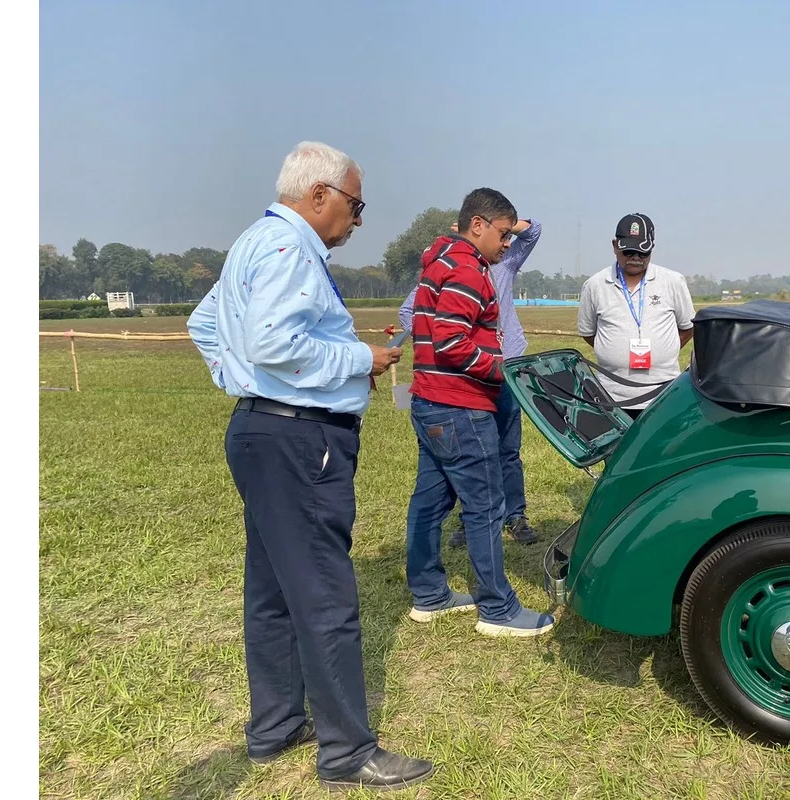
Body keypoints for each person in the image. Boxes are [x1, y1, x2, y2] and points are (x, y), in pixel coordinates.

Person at [186, 141, 435, 791]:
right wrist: (359, 361)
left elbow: (205, 325)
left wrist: (246, 384)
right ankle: (348, 751)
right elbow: (274, 342)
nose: (357, 221)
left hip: (263, 432)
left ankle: (274, 726)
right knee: (325, 596)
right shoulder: (290, 249)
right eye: (356, 205)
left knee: (271, 592)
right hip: (300, 443)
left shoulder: (253, 242)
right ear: (319, 194)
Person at [403, 187, 555, 637]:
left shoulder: (439, 262)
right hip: (462, 407)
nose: (507, 244)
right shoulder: (468, 269)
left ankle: (429, 593)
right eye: (504, 233)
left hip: (429, 401)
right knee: (486, 505)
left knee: (430, 500)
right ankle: (498, 608)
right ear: (478, 225)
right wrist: (501, 369)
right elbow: (452, 342)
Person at [398, 217, 542, 549]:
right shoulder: (443, 269)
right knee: (475, 451)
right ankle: (471, 519)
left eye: (506, 236)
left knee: (508, 448)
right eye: (501, 234)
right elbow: (409, 312)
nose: (505, 241)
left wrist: (503, 222)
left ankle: (515, 515)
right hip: (471, 374)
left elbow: (533, 232)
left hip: (505, 370)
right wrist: (450, 335)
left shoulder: (504, 263)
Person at [577, 213, 695, 419]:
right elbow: (589, 333)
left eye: (643, 253)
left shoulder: (673, 281)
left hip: (663, 393)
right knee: (615, 451)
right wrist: (614, 352)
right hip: (611, 395)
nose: (636, 258)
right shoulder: (595, 285)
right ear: (615, 246)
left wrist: (666, 351)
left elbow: (687, 327)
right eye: (629, 251)